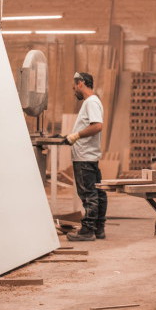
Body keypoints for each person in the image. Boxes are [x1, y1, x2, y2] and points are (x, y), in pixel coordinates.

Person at [65, 72, 108, 241]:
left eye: (74, 85)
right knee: (97, 193)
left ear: (81, 83)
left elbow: (97, 126)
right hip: (88, 156)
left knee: (88, 194)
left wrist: (76, 136)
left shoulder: (91, 102)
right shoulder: (93, 102)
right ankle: (98, 228)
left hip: (84, 157)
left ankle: (88, 230)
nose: (74, 89)